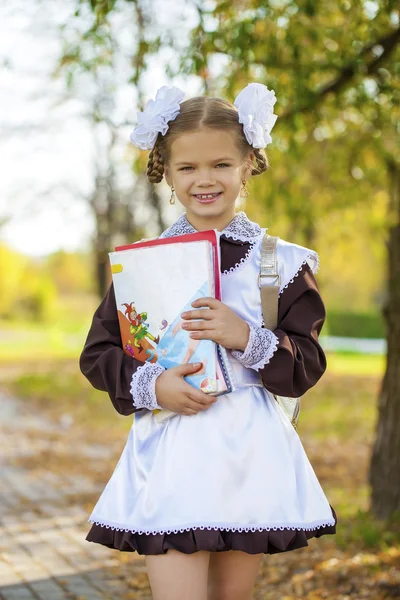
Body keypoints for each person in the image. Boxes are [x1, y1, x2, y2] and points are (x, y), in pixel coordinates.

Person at [80, 82, 337, 600]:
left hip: (250, 462)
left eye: (221, 164)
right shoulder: (144, 265)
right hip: (173, 456)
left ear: (248, 165)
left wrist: (248, 337)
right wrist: (153, 387)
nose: (205, 180)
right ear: (168, 176)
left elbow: (306, 363)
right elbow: (98, 354)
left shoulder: (282, 264)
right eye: (187, 168)